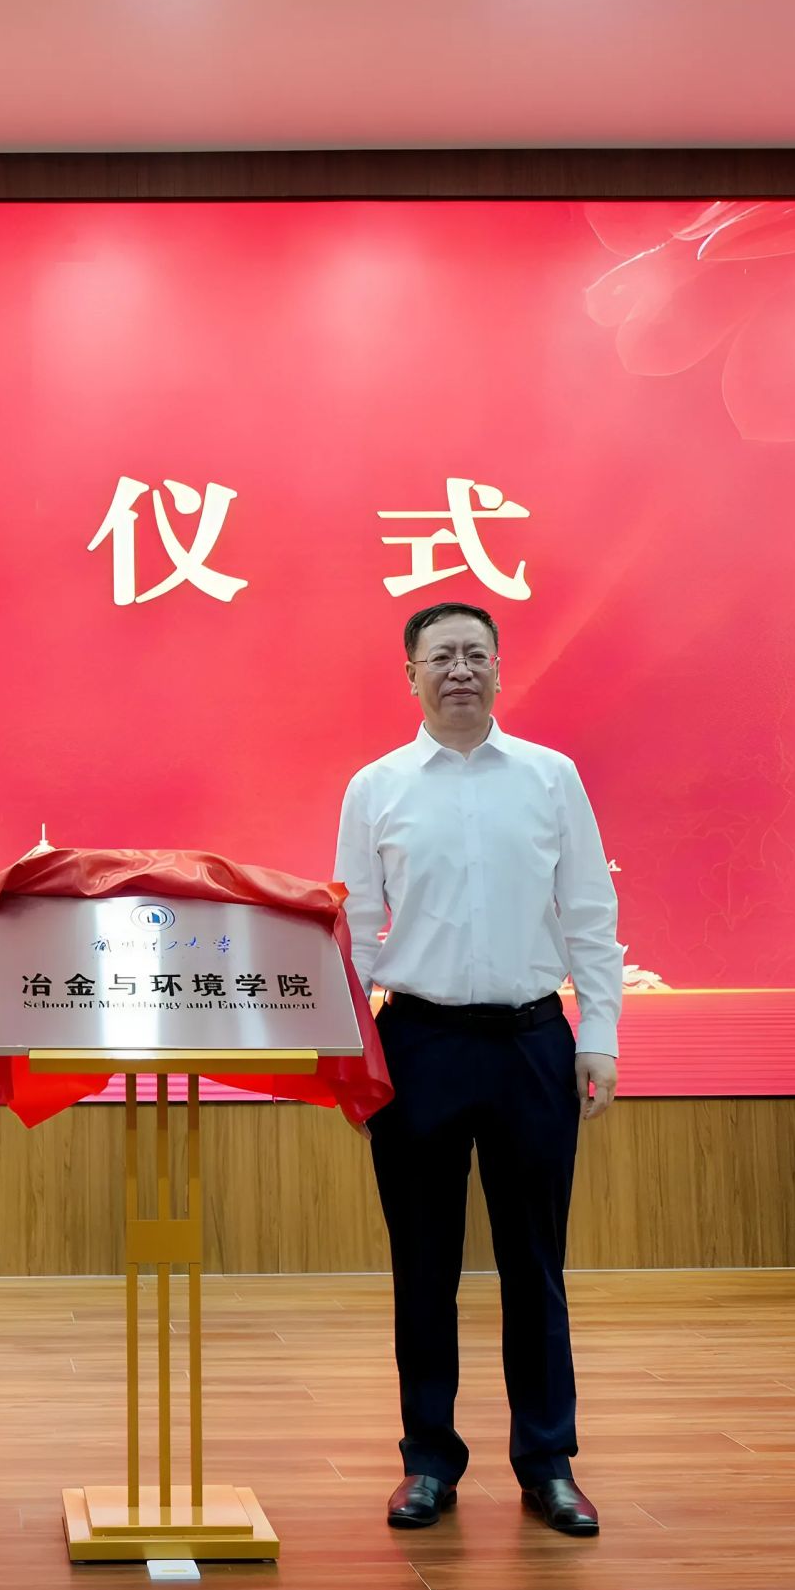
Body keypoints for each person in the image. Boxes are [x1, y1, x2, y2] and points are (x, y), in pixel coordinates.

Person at [333, 600, 622, 1538]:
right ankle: (427, 1461)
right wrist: (351, 1054)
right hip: (417, 1045)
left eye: (475, 655)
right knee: (423, 1266)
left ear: (500, 668)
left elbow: (590, 913)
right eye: (441, 657)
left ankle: (548, 1462)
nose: (459, 669)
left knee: (535, 1262)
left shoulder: (550, 776)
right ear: (410, 675)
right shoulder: (376, 786)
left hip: (533, 1042)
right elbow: (355, 932)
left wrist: (600, 1032)